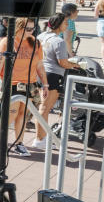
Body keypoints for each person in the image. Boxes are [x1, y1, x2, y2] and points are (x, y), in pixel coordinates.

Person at [0, 18, 44, 156]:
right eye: (28, 29)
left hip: (29, 83)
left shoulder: (36, 43)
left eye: (33, 29)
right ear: (18, 27)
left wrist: (45, 83)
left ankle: (19, 144)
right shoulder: (6, 42)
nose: (31, 32)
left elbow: (39, 65)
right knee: (10, 115)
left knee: (23, 115)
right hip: (11, 83)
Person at [32, 13, 85, 153]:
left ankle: (41, 138)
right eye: (65, 22)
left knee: (42, 107)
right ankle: (39, 139)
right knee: (45, 108)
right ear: (58, 24)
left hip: (39, 73)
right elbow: (62, 63)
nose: (67, 25)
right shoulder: (58, 41)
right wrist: (76, 65)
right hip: (52, 76)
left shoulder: (40, 36)